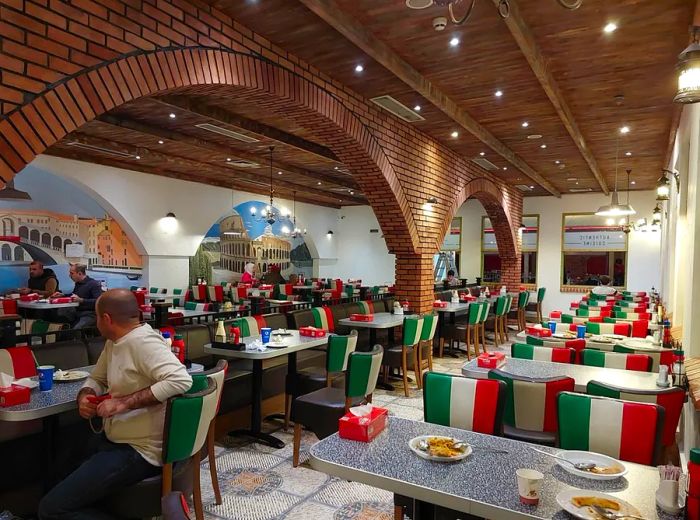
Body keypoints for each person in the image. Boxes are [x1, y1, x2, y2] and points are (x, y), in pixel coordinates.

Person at [38, 289, 193, 520]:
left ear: (106, 319)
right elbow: (97, 379)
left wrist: (123, 404)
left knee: (51, 510)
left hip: (139, 451)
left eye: (97, 316)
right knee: (55, 473)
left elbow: (181, 380)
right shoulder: (115, 342)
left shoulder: (142, 343)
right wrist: (85, 396)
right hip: (113, 438)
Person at [51, 264, 103, 329]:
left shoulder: (93, 284)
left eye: (72, 273)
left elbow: (99, 301)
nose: (69, 276)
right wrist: (63, 295)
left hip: (89, 313)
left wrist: (81, 300)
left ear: (80, 273)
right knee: (58, 315)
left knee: (77, 328)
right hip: (77, 311)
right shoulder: (78, 283)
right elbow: (75, 295)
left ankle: (75, 337)